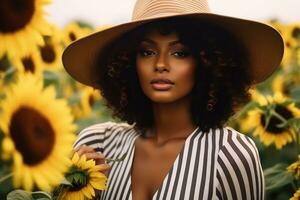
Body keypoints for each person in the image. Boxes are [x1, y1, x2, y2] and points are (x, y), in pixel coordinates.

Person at [62, 0, 284, 199]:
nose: (160, 64)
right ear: (129, 62)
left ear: (206, 62)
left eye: (180, 53)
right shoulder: (97, 144)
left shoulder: (231, 154)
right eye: (147, 52)